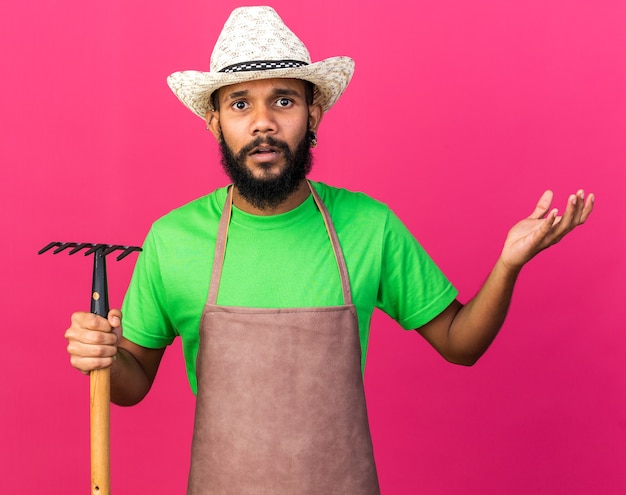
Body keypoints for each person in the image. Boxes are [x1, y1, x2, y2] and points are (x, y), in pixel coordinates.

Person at [64, 6, 594, 494]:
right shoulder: (173, 238)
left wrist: (507, 265)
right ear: (215, 122)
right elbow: (131, 384)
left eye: (284, 100)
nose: (263, 122)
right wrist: (104, 357)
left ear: (312, 114)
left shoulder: (368, 225)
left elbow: (462, 344)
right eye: (241, 103)